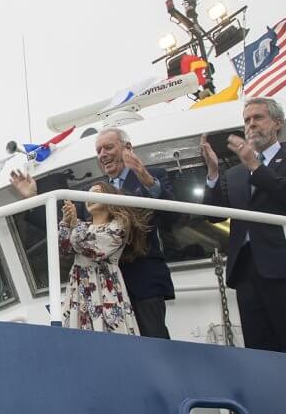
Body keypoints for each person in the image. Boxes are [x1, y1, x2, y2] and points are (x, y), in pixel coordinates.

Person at [10, 127, 175, 338]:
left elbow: (172, 217)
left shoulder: (153, 176)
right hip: (102, 290)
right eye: (98, 151)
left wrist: (145, 178)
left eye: (108, 147)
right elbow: (66, 222)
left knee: (154, 346)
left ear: (127, 148)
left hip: (143, 282)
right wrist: (32, 199)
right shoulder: (94, 191)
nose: (103, 154)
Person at [200, 97, 286, 356]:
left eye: (258, 118)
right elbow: (214, 215)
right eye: (247, 120)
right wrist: (213, 173)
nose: (251, 125)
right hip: (247, 271)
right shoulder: (234, 174)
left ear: (277, 123)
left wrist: (254, 165)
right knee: (261, 351)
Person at [59, 182, 150, 334]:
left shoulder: (118, 226)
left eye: (95, 193)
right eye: (88, 194)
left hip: (104, 289)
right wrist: (66, 223)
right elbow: (64, 250)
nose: (90, 197)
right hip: (78, 288)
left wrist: (75, 224)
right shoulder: (83, 226)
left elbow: (95, 250)